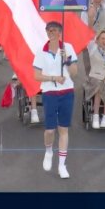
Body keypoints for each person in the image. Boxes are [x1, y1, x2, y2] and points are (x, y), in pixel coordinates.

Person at [33, 21, 79, 179]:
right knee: (50, 130)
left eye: (54, 30)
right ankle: (48, 151)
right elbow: (36, 75)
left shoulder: (68, 47)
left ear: (60, 33)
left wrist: (66, 59)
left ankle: (62, 165)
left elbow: (74, 72)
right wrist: (53, 77)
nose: (51, 33)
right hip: (49, 92)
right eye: (48, 30)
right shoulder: (41, 50)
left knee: (63, 129)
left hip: (67, 91)